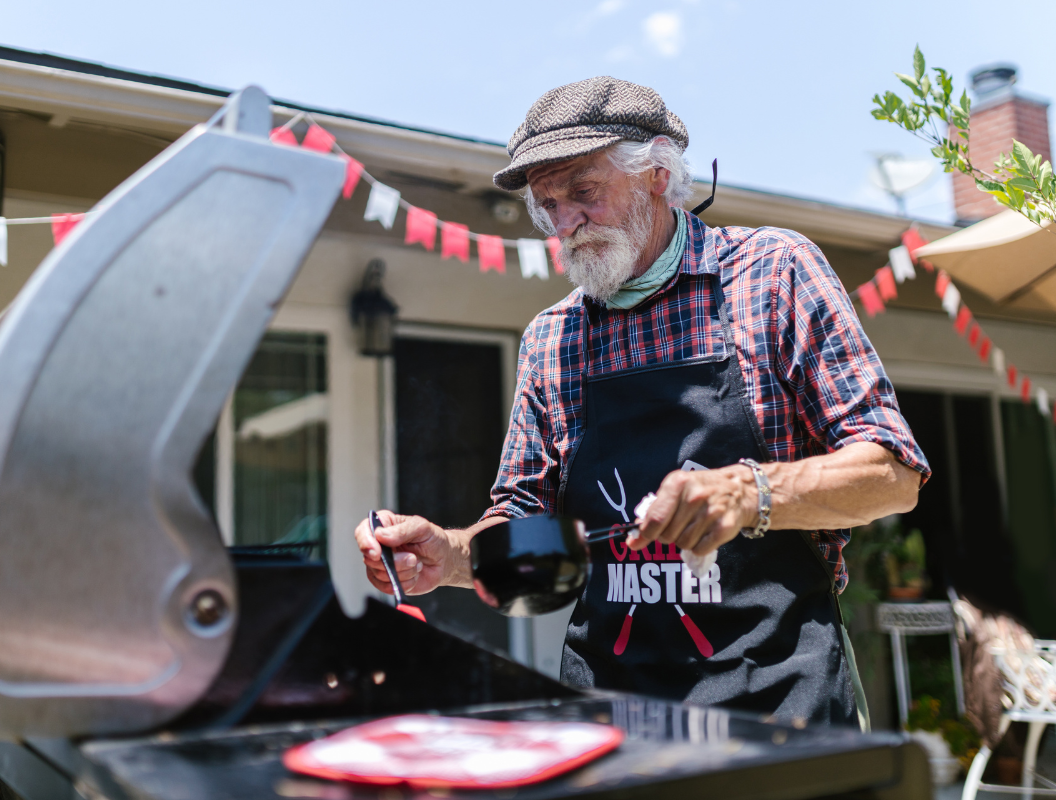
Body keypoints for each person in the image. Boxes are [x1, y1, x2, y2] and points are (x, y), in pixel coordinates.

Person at [354, 77, 929, 727]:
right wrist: (453, 554)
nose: (566, 223)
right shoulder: (555, 337)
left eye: (584, 193)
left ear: (657, 174)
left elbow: (892, 474)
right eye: (549, 206)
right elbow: (527, 528)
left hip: (779, 702)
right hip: (611, 714)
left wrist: (750, 494)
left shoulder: (772, 273)